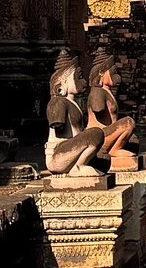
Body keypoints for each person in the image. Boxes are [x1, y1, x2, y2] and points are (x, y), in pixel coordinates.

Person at [44, 49, 111, 179]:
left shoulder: (73, 104)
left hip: (72, 150)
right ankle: (78, 167)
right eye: (79, 77)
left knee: (104, 159)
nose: (84, 81)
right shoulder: (57, 102)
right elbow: (57, 125)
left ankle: (80, 164)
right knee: (96, 133)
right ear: (61, 86)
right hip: (58, 154)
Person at [85, 56, 141, 172]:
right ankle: (114, 150)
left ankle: (115, 149)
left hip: (107, 134)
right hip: (99, 136)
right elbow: (98, 109)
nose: (117, 76)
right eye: (114, 72)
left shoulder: (106, 91)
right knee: (128, 123)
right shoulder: (97, 92)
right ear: (102, 74)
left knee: (133, 140)